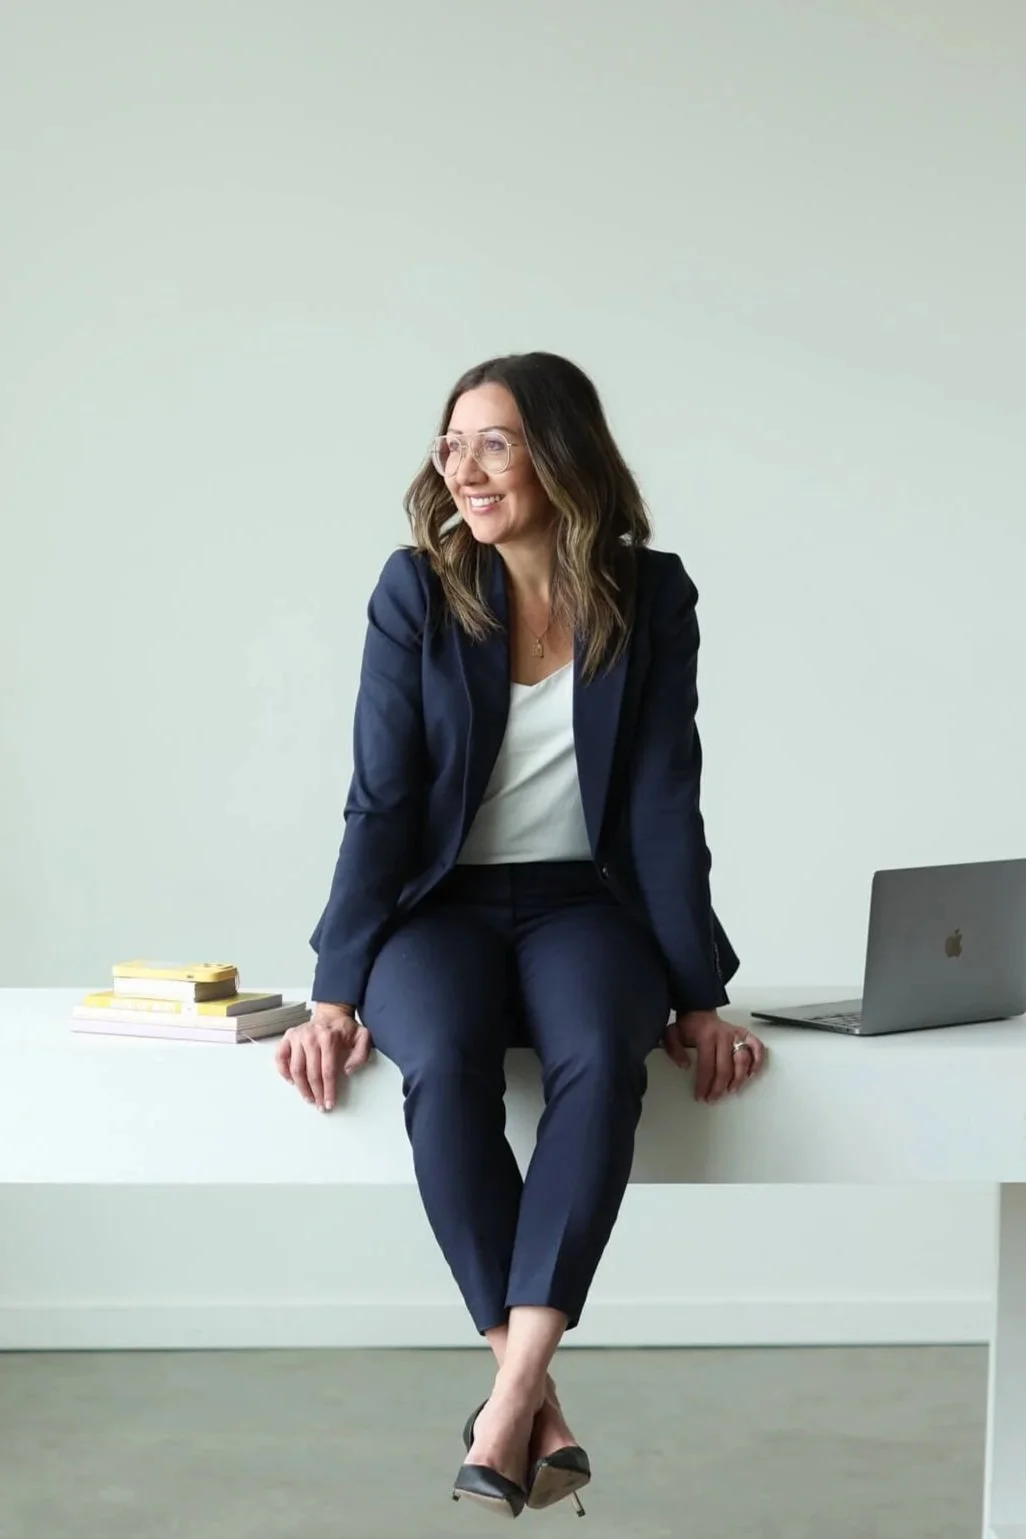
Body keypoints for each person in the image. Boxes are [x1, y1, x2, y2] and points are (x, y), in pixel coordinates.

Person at [275, 351, 767, 1519]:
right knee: (441, 1062)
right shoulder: (419, 591)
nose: (465, 467)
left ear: (560, 451)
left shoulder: (651, 598)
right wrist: (335, 986)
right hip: (436, 908)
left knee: (603, 1055)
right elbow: (382, 799)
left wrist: (696, 991)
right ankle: (527, 1394)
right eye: (452, 445)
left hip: (580, 905)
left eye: (493, 442)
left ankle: (502, 1405)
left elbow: (661, 799)